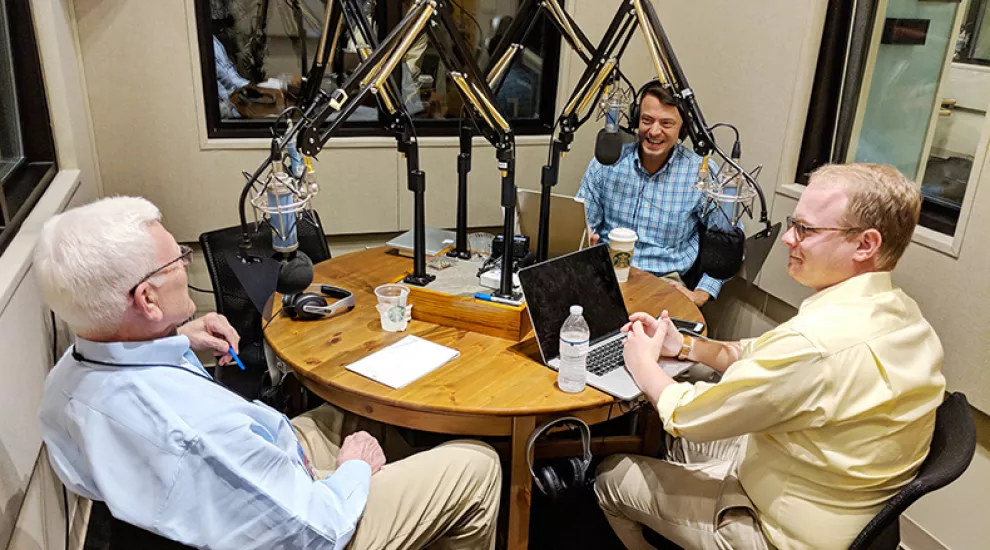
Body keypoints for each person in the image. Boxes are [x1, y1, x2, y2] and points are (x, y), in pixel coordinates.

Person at [35, 197, 501, 549]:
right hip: (312, 520)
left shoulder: (68, 379)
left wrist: (177, 339)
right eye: (175, 257)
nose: (184, 259)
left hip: (261, 469)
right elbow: (317, 530)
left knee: (365, 413)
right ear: (147, 301)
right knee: (478, 464)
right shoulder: (196, 435)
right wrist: (353, 471)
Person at [595, 163, 945, 550]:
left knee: (612, 476)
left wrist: (641, 363)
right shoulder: (903, 314)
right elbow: (760, 355)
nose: (787, 239)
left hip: (778, 531)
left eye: (806, 229)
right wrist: (685, 347)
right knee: (677, 436)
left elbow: (687, 415)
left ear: (865, 244)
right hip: (829, 495)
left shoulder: (816, 345)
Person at [578, 81, 733, 307]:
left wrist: (701, 293)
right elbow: (582, 224)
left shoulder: (701, 173)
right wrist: (583, 239)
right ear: (635, 120)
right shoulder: (607, 163)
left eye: (667, 123)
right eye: (647, 120)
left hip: (664, 285)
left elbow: (727, 244)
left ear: (683, 128)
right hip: (606, 275)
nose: (654, 131)